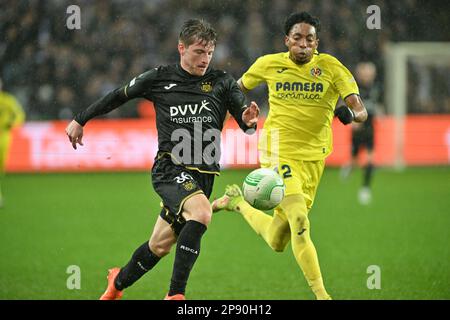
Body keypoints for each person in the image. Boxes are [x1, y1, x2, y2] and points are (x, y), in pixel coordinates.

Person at [65, 19, 259, 300]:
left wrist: (249, 120)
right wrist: (81, 119)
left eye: (209, 53)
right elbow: (119, 95)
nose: (204, 59)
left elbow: (244, 118)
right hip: (170, 168)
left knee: (159, 245)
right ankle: (175, 295)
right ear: (181, 48)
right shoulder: (159, 78)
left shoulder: (222, 82)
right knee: (202, 213)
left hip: (204, 174)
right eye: (198, 52)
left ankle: (116, 284)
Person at [212, 12, 367, 300]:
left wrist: (353, 113)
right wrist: (233, 116)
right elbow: (234, 90)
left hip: (312, 160)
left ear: (317, 43)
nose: (303, 45)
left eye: (309, 39)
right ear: (287, 41)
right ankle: (323, 296)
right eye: (297, 38)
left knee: (277, 239)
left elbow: (358, 106)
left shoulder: (331, 68)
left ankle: (237, 203)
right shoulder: (269, 64)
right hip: (276, 150)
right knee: (300, 220)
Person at [340, 62, 379, 205]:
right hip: (358, 130)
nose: (368, 76)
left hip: (370, 129)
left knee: (370, 160)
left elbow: (375, 105)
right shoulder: (355, 89)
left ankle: (365, 189)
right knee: (355, 158)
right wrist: (353, 121)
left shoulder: (376, 88)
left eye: (370, 74)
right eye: (365, 74)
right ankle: (349, 167)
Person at [0, 78, 25, 208]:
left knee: (1, 166)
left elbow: (19, 115)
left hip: (4, 135)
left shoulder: (8, 100)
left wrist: (13, 124)